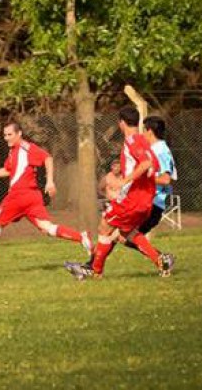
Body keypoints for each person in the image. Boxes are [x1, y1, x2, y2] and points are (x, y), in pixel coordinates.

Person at [0, 121, 92, 274]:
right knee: (46, 228)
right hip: (31, 196)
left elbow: (47, 158)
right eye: (5, 135)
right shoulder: (13, 151)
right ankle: (81, 237)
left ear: (19, 133)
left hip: (18, 195)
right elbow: (8, 170)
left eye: (10, 134)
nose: (6, 138)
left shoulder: (26, 148)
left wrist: (50, 181)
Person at [65, 107, 173, 280]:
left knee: (104, 227)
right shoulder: (144, 141)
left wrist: (124, 181)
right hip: (145, 199)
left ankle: (95, 270)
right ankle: (160, 260)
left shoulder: (132, 141)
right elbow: (151, 167)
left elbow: (146, 164)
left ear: (121, 123)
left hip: (132, 199)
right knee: (126, 233)